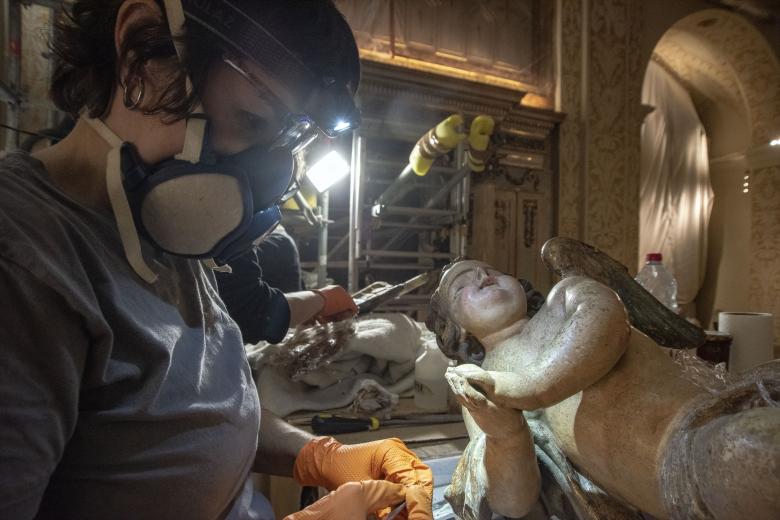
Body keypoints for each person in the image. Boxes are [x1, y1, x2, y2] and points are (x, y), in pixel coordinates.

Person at [0, 1, 432, 519]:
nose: (256, 176)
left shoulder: (160, 235)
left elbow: (200, 415)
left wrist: (317, 455)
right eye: (252, 119)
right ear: (144, 49)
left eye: (281, 143)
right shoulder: (25, 255)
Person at [426, 258, 780, 520]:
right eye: (463, 286)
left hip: (707, 416)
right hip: (675, 477)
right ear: (456, 330)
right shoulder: (481, 383)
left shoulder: (561, 300)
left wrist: (526, 388)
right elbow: (511, 501)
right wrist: (507, 436)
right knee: (759, 451)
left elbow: (604, 320)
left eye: (491, 270)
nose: (484, 276)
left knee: (759, 445)